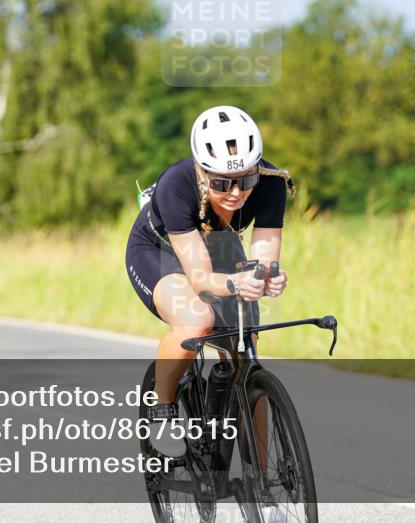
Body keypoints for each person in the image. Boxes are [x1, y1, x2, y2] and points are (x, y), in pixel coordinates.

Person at [125, 105, 294, 456]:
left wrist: (268, 276)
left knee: (246, 353)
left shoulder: (272, 183)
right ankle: (163, 407)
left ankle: (266, 495)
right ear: (202, 172)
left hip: (217, 241)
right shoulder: (177, 185)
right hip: (159, 248)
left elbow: (263, 257)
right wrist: (234, 284)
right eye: (221, 183)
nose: (236, 193)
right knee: (197, 318)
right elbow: (200, 278)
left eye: (246, 180)